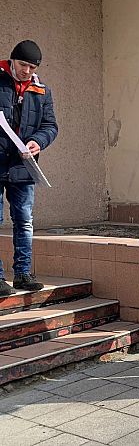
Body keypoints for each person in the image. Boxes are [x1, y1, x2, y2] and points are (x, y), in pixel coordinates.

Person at [0, 40, 58, 295]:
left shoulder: (42, 90)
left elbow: (50, 126)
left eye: (32, 67)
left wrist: (38, 141)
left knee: (24, 220)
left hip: (23, 166)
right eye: (23, 64)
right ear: (12, 60)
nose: (27, 71)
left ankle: (23, 274)